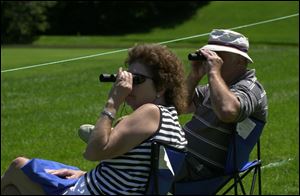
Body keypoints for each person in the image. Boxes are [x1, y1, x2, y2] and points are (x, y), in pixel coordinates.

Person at [1, 43, 188, 195]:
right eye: (128, 78)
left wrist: (113, 100)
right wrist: (84, 175)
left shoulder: (150, 112)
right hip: (96, 186)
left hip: (90, 192)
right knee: (12, 191)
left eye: (136, 80)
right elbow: (137, 175)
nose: (129, 86)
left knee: (18, 166)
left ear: (161, 86)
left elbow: (93, 152)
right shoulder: (169, 121)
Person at [177, 29, 268, 181]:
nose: (212, 59)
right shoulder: (217, 87)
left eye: (219, 55)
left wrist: (213, 73)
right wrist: (195, 75)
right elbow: (181, 106)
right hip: (183, 159)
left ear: (240, 60)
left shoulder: (252, 88)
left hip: (198, 169)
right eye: (210, 54)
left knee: (136, 157)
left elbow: (228, 111)